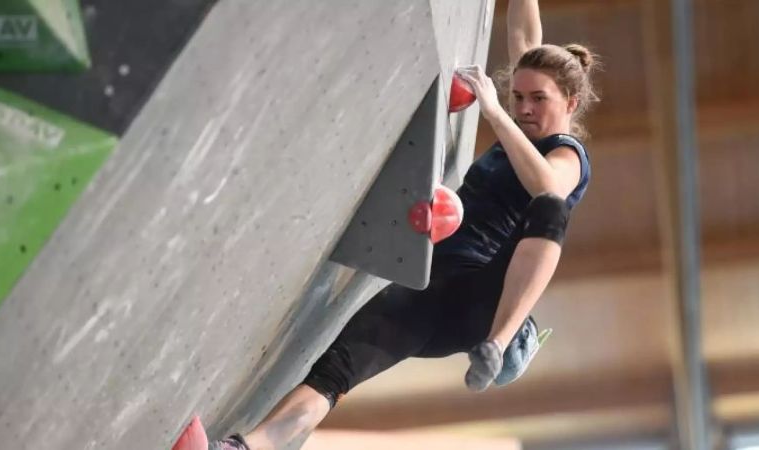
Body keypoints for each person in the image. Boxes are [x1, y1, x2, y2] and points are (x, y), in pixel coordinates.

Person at [209, 1, 597, 448]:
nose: (524, 108)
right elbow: (524, 36)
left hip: (483, 300)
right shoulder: (522, 123)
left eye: (538, 99)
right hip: (431, 295)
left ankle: (501, 342)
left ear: (571, 102)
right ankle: (246, 446)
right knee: (337, 369)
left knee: (551, 207)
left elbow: (549, 188)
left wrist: (495, 112)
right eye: (518, 98)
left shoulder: (565, 153)